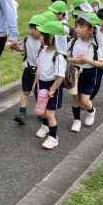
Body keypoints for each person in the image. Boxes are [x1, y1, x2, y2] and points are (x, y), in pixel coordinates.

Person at [67, 12, 103, 132]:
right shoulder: (73, 42)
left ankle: (91, 111)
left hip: (89, 73)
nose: (77, 29)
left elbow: (101, 63)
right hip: (75, 73)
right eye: (77, 25)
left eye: (81, 27)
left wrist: (87, 60)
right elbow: (65, 57)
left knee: (84, 100)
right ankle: (76, 120)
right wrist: (74, 60)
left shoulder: (96, 45)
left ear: (91, 30)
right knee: (75, 99)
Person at [33, 21, 67, 149]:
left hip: (53, 86)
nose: (39, 37)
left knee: (49, 114)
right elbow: (38, 68)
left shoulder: (58, 56)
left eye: (41, 35)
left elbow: (60, 76)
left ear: (50, 37)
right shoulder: (42, 51)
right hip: (40, 85)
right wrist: (35, 83)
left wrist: (52, 89)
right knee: (41, 111)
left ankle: (53, 137)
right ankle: (45, 126)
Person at [10, 15, 47, 125]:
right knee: (25, 92)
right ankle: (22, 113)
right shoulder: (28, 39)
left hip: (40, 73)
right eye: (31, 27)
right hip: (28, 70)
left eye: (36, 28)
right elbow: (20, 48)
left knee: (39, 93)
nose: (32, 31)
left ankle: (42, 112)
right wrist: (14, 46)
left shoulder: (44, 43)